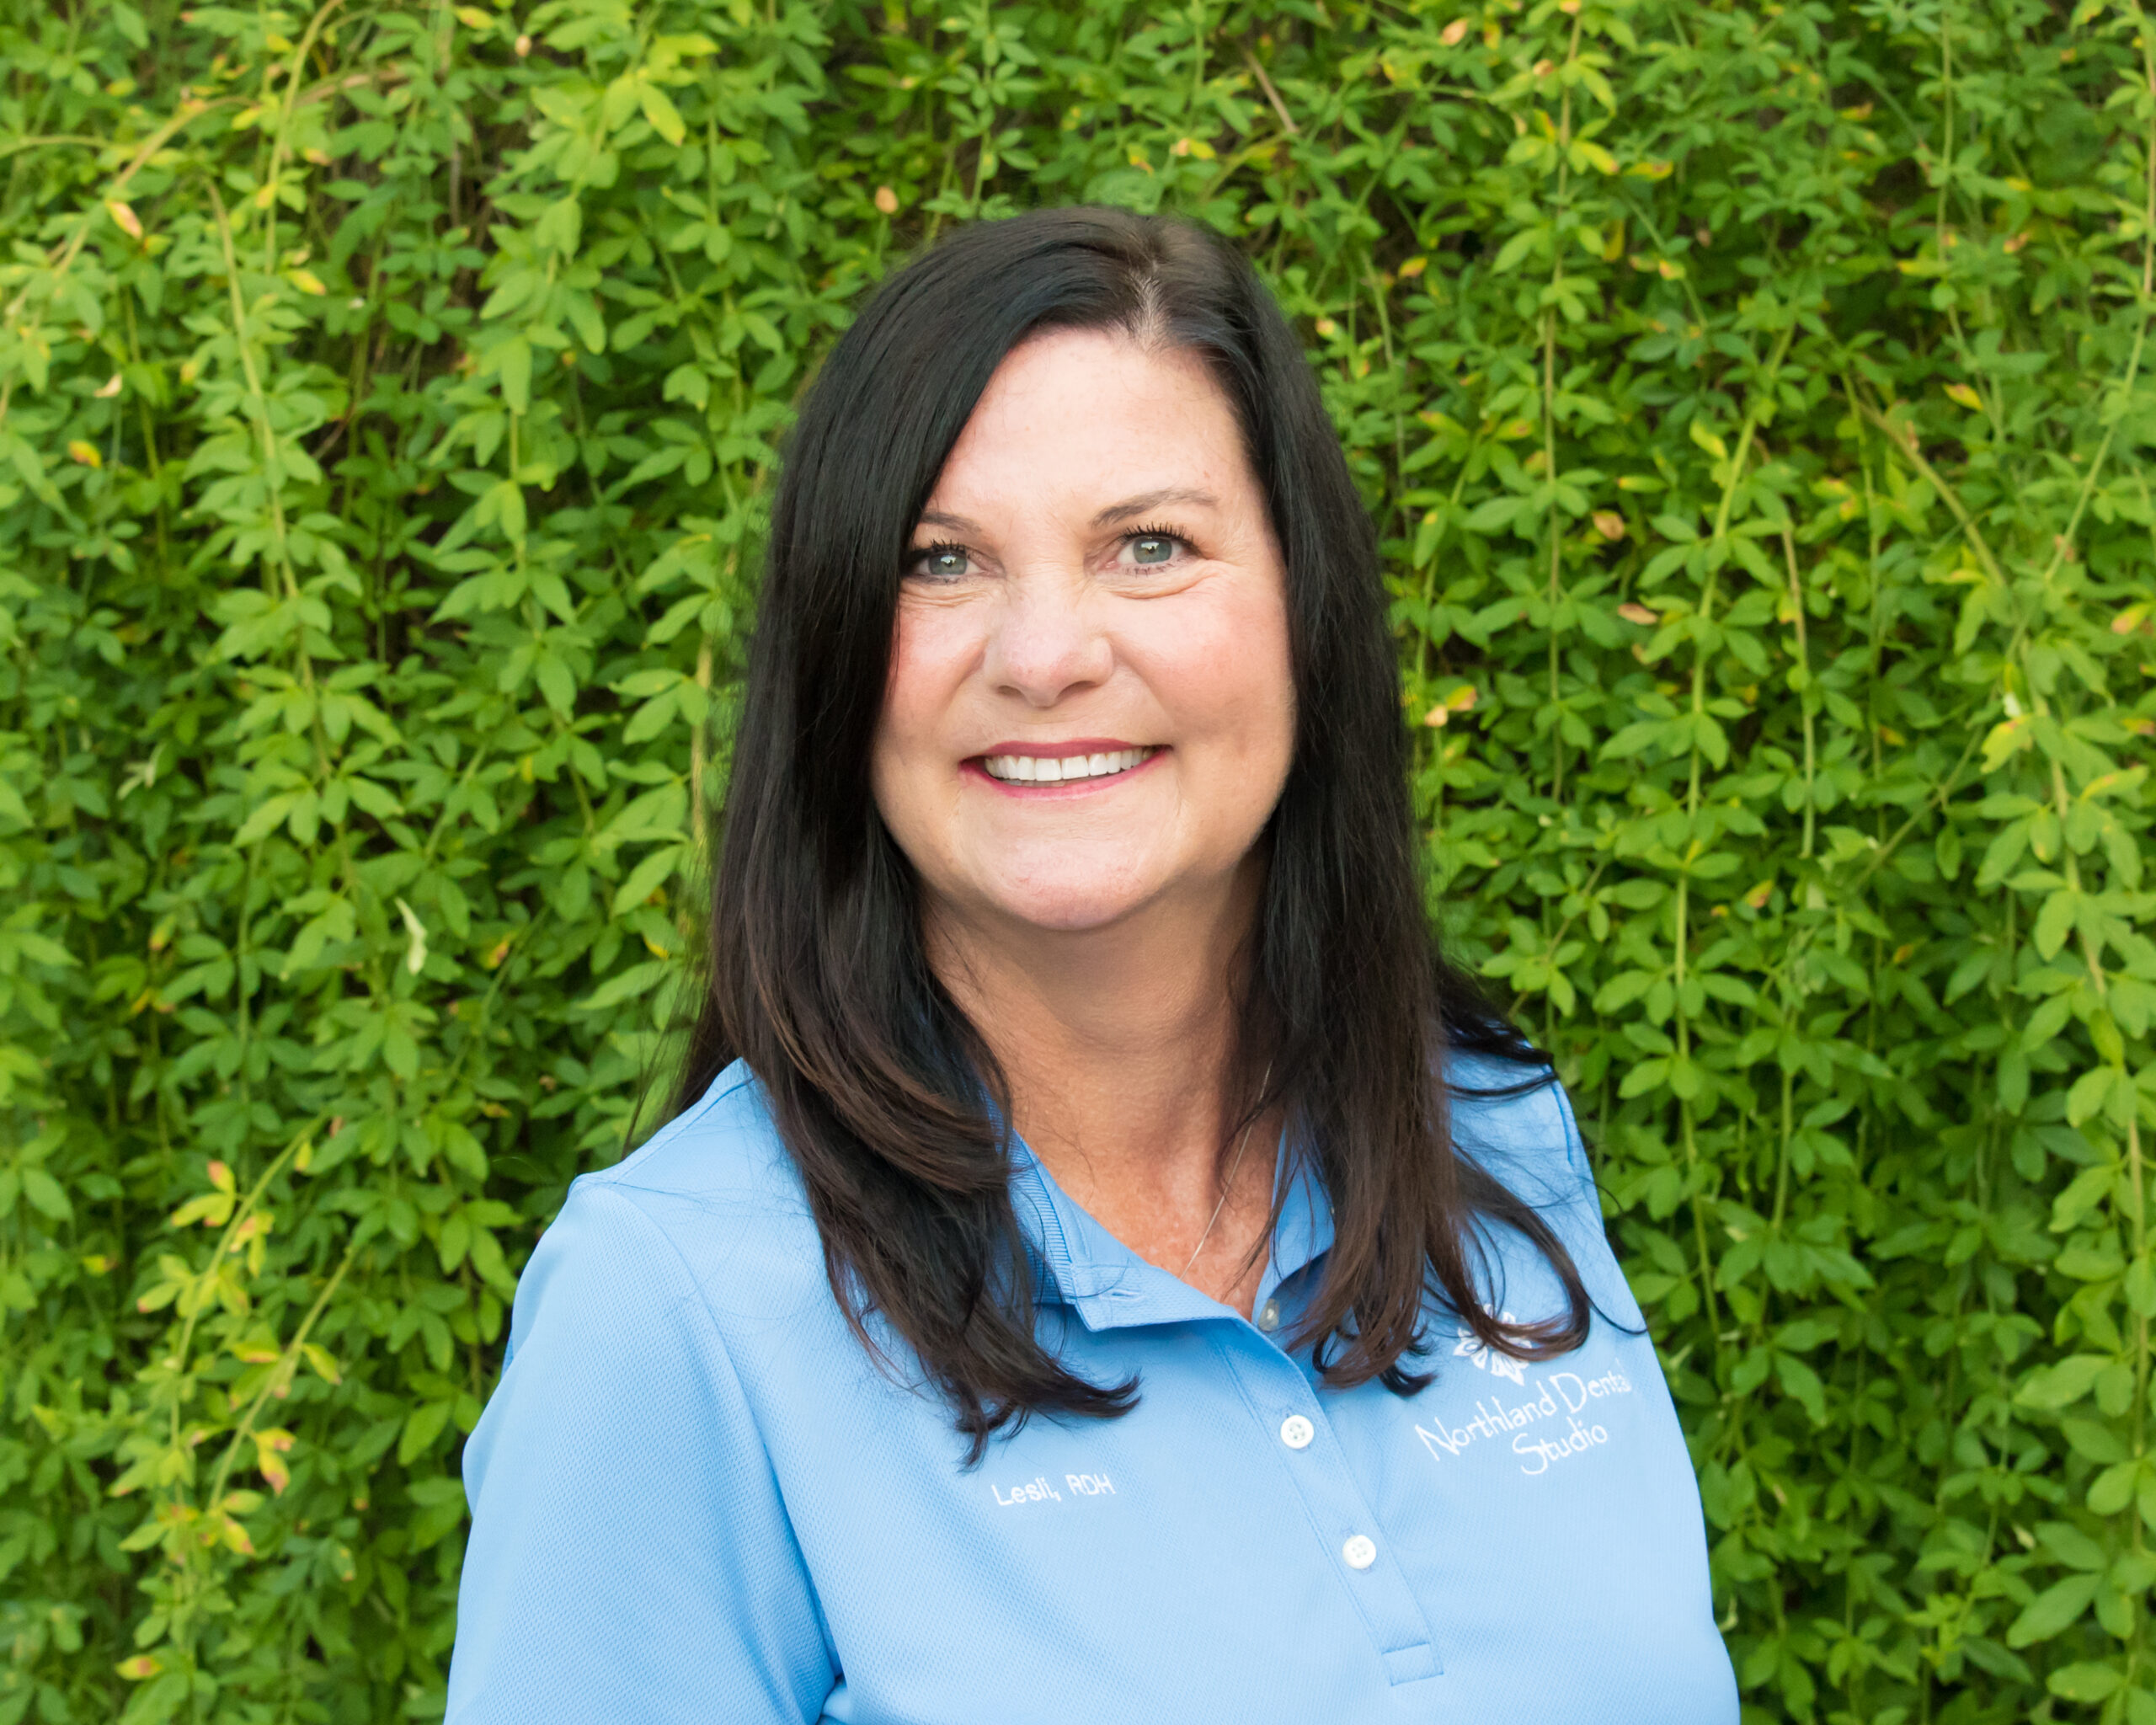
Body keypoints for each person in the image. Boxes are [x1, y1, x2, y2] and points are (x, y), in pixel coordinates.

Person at [444, 207, 1738, 1723]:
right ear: (839, 655)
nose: (1045, 652)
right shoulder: (674, 1310)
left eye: (1150, 545)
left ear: (1305, 618)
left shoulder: (1488, 1126)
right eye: (941, 561)